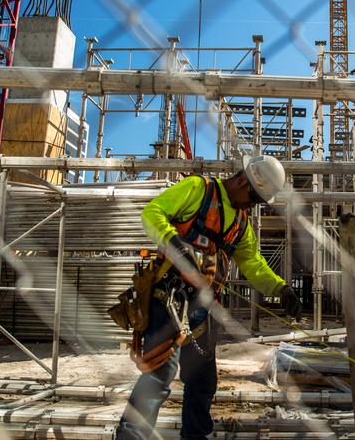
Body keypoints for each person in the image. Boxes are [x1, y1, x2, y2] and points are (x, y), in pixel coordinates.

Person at [115, 155, 303, 440]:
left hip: (203, 308)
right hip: (170, 298)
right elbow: (152, 213)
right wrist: (175, 242)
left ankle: (195, 436)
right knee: (160, 373)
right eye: (253, 197)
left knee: (202, 380)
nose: (252, 205)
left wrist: (281, 289)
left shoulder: (241, 224)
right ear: (242, 179)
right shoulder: (198, 190)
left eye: (259, 202)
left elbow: (253, 264)